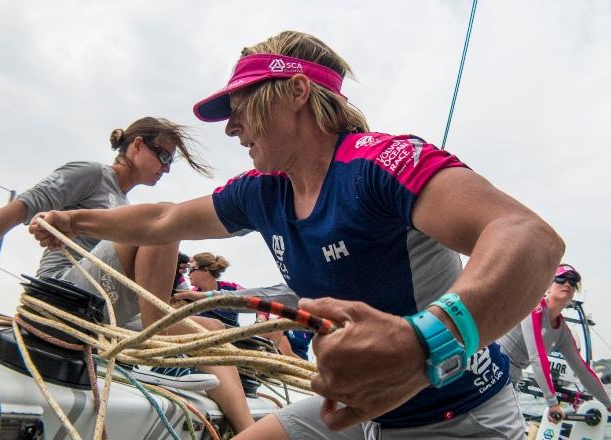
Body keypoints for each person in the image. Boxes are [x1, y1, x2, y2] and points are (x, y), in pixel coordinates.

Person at [30, 31, 564, 440]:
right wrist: (75, 221)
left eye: (240, 106)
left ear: (297, 92)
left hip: (459, 413)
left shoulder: (380, 163)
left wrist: (425, 341)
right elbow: (163, 219)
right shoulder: (263, 192)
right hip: (352, 406)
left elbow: (528, 237)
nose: (231, 127)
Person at [0, 117, 254, 432]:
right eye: (164, 156)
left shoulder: (124, 203)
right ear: (136, 145)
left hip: (107, 312)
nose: (167, 168)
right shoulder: (92, 175)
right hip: (65, 299)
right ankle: (156, 349)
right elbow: (20, 209)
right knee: (162, 223)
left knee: (211, 327)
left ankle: (248, 431)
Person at [498, 264, 611, 426]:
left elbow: (582, 371)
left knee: (512, 427)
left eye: (572, 282)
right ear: (548, 286)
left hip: (511, 377)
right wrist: (552, 403)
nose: (567, 284)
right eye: (560, 279)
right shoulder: (534, 309)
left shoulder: (563, 332)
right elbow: (537, 357)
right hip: (493, 366)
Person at [174, 252, 242, 327]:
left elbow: (256, 299)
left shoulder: (233, 288)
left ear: (206, 270)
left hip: (234, 335)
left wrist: (257, 322)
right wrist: (176, 273)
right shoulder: (191, 295)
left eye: (191, 269)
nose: (189, 274)